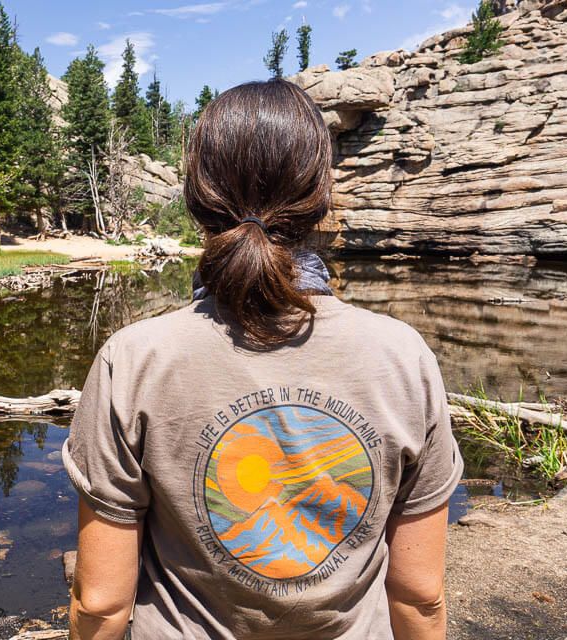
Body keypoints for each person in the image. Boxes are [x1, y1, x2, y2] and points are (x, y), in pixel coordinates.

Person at [62, 79, 463, 640]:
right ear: (320, 199)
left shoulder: (132, 361)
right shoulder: (403, 356)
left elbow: (102, 603)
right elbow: (421, 594)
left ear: (198, 200)